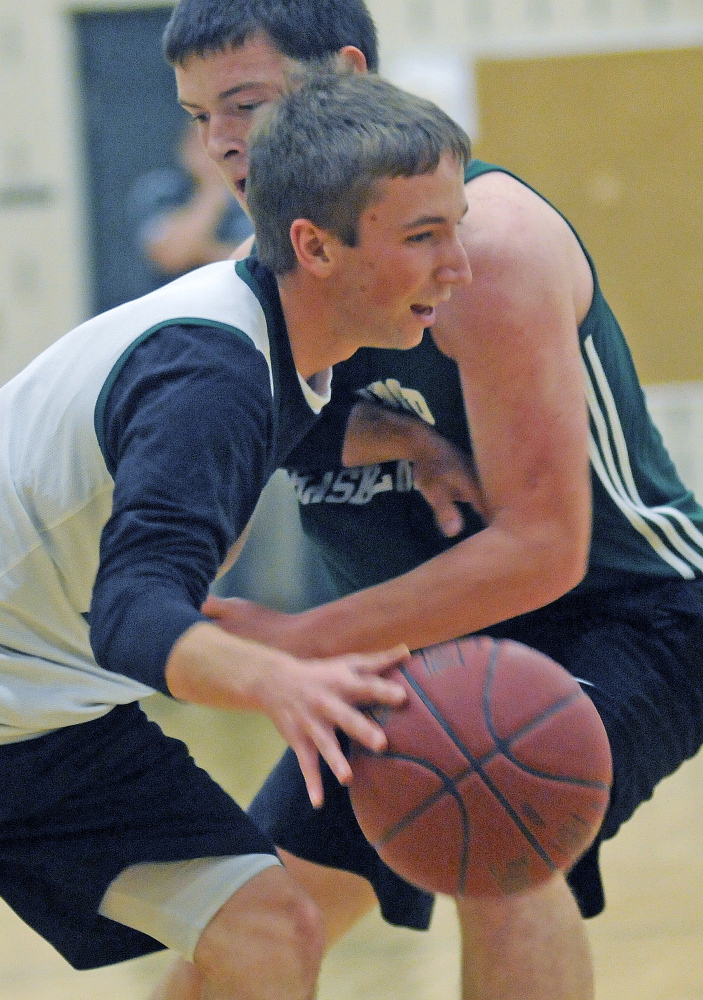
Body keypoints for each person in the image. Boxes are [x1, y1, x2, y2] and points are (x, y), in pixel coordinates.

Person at [162, 2, 703, 998]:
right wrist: (379, 433)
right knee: (251, 919)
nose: (223, 141)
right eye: (199, 116)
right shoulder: (261, 272)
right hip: (409, 643)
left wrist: (294, 642)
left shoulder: (478, 250)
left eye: (243, 101)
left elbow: (545, 547)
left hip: (621, 611)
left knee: (491, 828)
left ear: (347, 72)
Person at [0, 71, 474, 1000]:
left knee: (268, 929)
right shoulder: (211, 376)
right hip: (37, 686)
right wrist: (282, 679)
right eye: (424, 237)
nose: (459, 266)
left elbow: (290, 422)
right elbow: (131, 612)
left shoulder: (269, 329)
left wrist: (404, 441)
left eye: (456, 227)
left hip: (38, 714)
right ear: (314, 246)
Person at [125, 120, 254, 295]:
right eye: (202, 141)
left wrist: (199, 252)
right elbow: (172, 254)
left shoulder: (257, 194)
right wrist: (213, 187)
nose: (212, 151)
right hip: (174, 307)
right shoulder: (161, 189)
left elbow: (266, 268)